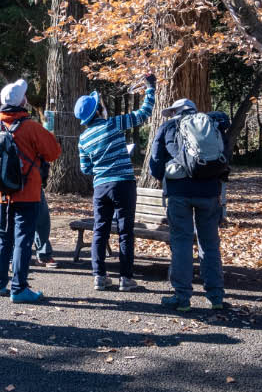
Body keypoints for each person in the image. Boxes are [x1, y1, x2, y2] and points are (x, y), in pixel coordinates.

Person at [0, 79, 61, 303]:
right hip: (28, 192)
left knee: (3, 238)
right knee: (23, 240)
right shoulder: (31, 127)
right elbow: (54, 152)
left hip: (2, 194)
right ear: (22, 102)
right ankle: (19, 288)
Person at [74, 74, 156, 291]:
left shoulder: (83, 139)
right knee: (125, 230)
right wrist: (150, 89)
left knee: (100, 230)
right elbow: (143, 114)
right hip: (123, 184)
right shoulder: (113, 124)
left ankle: (99, 276)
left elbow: (85, 169)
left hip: (101, 186)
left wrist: (101, 164)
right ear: (99, 111)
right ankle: (126, 279)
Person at [149, 99, 230, 311]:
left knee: (182, 243)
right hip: (210, 192)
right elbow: (224, 157)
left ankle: (182, 297)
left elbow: (155, 163)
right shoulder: (212, 125)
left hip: (179, 193)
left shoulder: (168, 127)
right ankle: (216, 297)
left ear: (175, 112)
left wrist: (165, 175)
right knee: (210, 244)